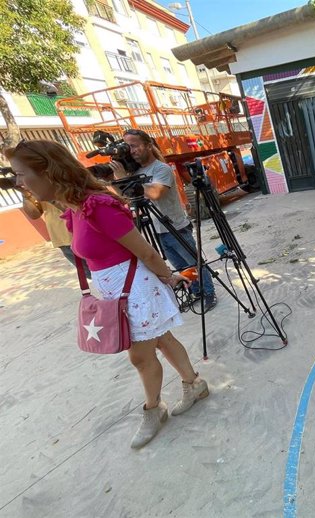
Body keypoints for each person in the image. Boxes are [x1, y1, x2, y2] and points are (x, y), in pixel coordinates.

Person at [5, 140, 210, 449]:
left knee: (140, 357)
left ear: (48, 171)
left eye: (21, 174)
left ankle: (154, 410)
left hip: (136, 288)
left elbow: (146, 251)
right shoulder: (74, 206)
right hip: (117, 289)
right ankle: (194, 384)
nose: (18, 182)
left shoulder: (97, 205)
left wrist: (169, 278)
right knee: (163, 339)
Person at [117, 129, 217, 311]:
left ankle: (209, 292)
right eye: (127, 147)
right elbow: (125, 197)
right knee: (180, 266)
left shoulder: (161, 169)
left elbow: (155, 193)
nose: (131, 151)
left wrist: (126, 179)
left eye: (135, 145)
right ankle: (197, 292)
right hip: (156, 229)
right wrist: (119, 180)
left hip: (175, 227)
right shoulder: (135, 172)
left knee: (194, 263)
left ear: (148, 145)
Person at [18, 189, 90, 277]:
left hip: (85, 230)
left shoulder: (62, 178)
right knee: (90, 274)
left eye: (20, 175)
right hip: (62, 237)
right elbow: (34, 214)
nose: (18, 180)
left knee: (105, 269)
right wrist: (26, 195)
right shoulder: (32, 186)